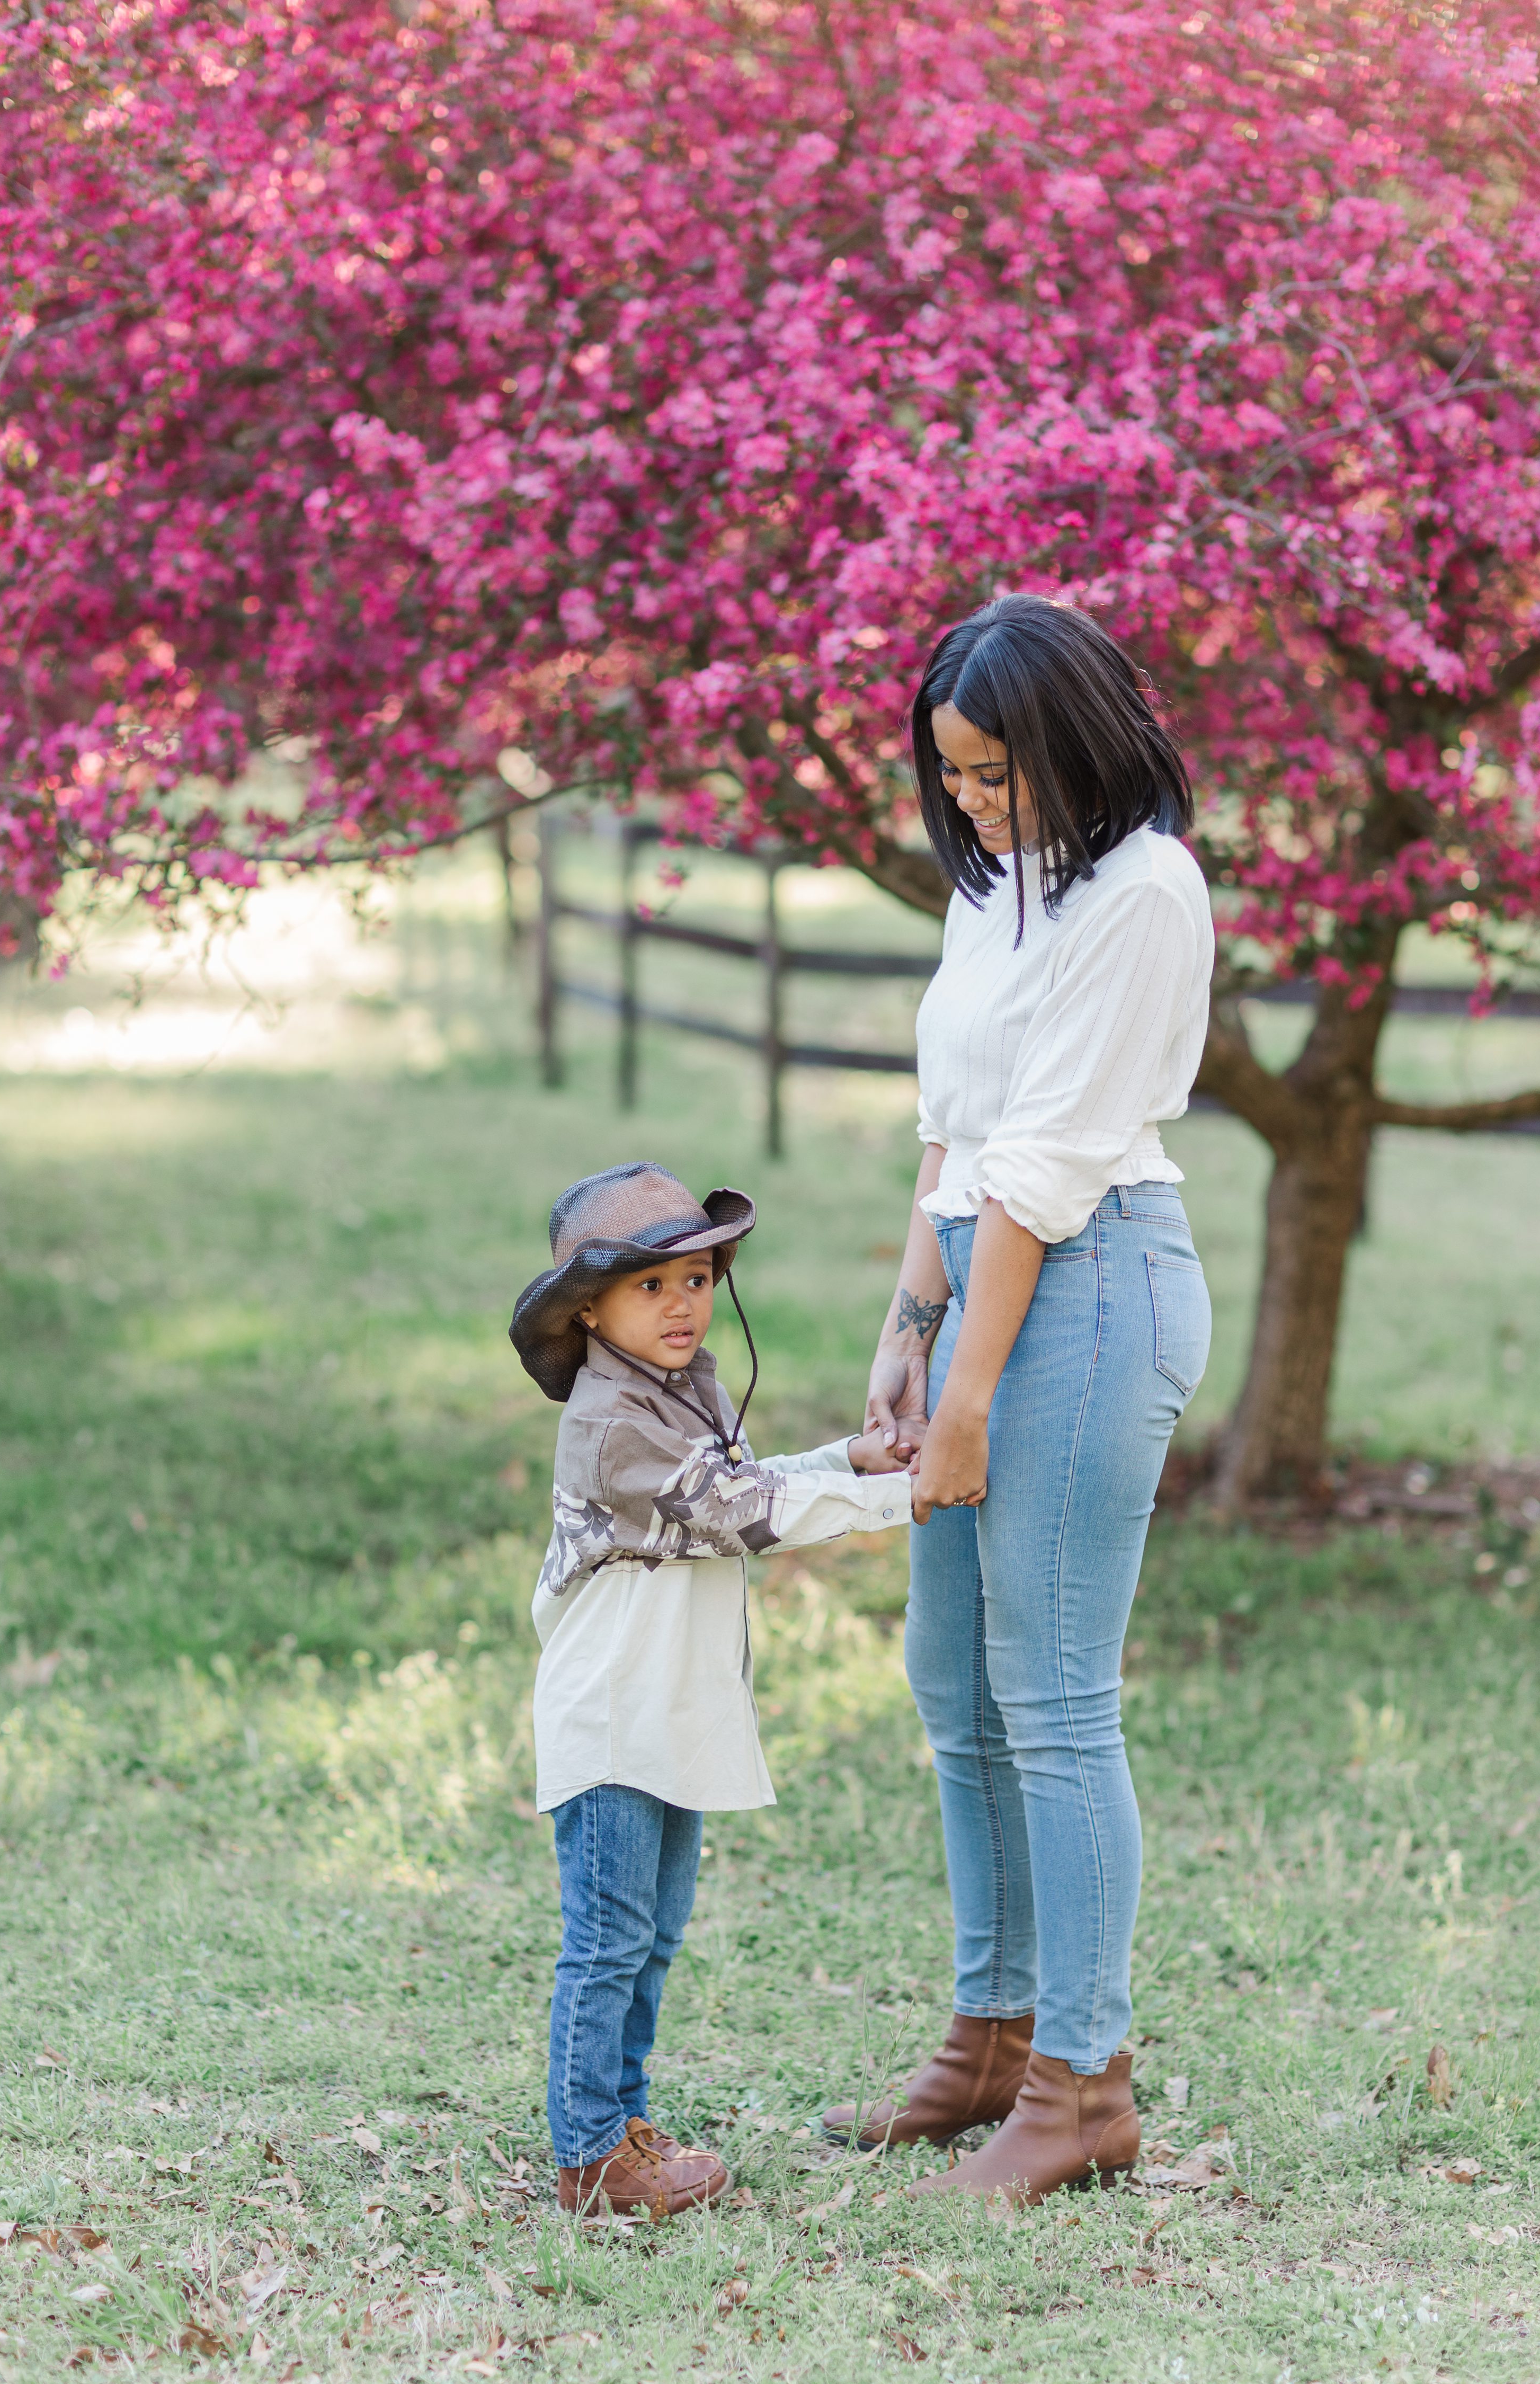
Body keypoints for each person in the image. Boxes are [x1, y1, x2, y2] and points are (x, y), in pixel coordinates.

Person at [822, 595, 1214, 2204]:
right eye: (956, 776)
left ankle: (1085, 2080)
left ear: (1076, 733)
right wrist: (909, 1328)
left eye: (999, 771)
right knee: (953, 1681)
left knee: (1050, 1695)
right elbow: (959, 1126)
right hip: (986, 1274)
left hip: (1090, 1281)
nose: (977, 804)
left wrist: (972, 1388)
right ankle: (991, 2034)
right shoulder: (1003, 886)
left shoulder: (1144, 891)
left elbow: (1047, 1169)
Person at [510, 1161, 912, 2219]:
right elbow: (740, 1511)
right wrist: (906, 1491)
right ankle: (590, 2152)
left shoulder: (682, 1388)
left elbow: (746, 1480)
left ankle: (625, 2126)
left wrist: (850, 1457)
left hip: (671, 1706)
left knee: (652, 1934)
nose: (684, 1302)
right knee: (607, 1939)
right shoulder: (612, 1426)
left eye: (696, 1278)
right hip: (613, 1712)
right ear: (587, 1310)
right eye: (652, 1286)